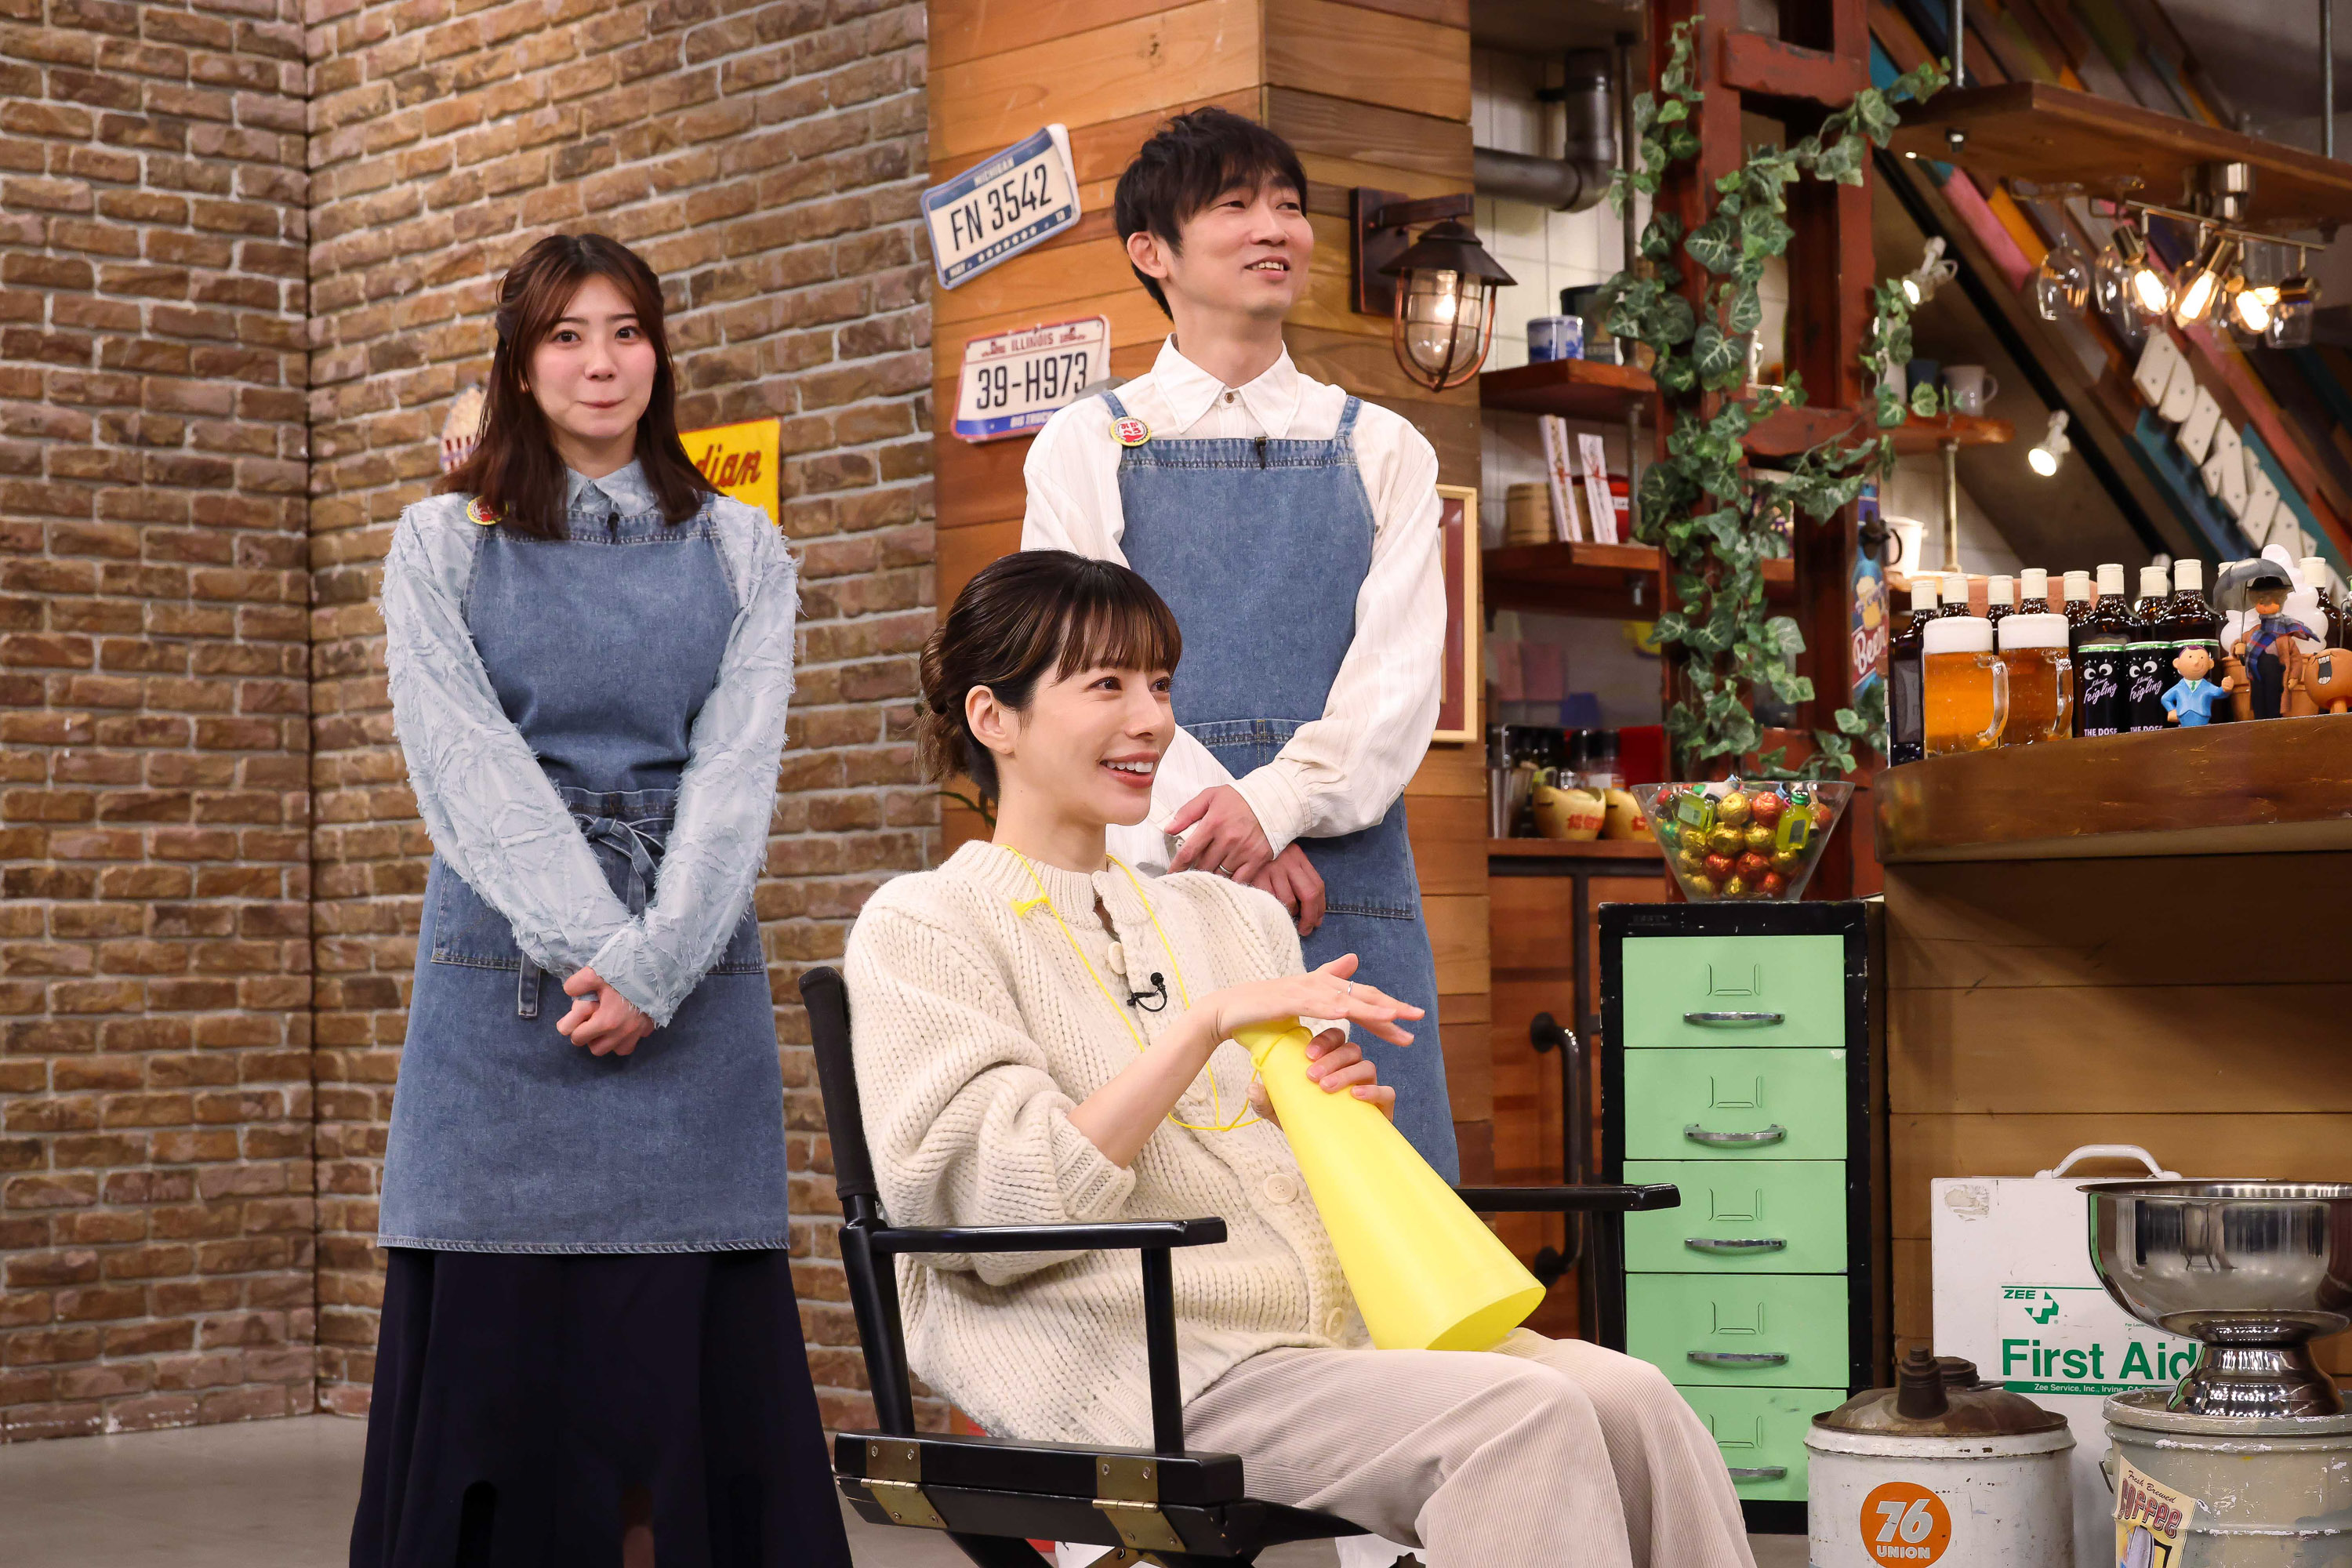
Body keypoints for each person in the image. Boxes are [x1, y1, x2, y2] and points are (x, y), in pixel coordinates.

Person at [842, 551, 1754, 1568]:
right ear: (993, 717)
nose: (1151, 721)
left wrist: (1328, 1126)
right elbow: (985, 1211)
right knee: (1518, 1418)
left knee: (1636, 1398)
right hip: (1149, 1364)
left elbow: (1280, 1163)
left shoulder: (1233, 917)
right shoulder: (927, 926)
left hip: (1325, 1336)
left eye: (1160, 684)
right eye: (1107, 684)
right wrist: (1204, 1028)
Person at [356, 234, 849, 1568]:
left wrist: (657, 966)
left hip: (690, 983)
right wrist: (603, 956)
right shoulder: (438, 544)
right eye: (566, 335)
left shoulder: (744, 546)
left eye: (627, 331)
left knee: (677, 1383)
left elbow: (737, 774)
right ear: (518, 365)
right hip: (499, 993)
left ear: (660, 355)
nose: (601, 362)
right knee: (495, 1381)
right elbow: (464, 768)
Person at [1020, 107, 1458, 1181]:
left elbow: (1400, 682)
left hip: (1344, 881)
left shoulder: (1385, 447)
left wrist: (1274, 807)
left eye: (1289, 206)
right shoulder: (1087, 442)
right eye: (1234, 205)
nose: (1275, 228)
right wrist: (1235, 833)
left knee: (1388, 1208)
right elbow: (1082, 682)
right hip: (1154, 876)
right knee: (1195, 1205)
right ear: (1152, 252)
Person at [2161, 643, 2227, 727]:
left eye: (2201, 658)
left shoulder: (2207, 686)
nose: (2196, 662)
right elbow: (2165, 699)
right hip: (2183, 718)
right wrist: (2172, 710)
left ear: (2210, 664)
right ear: (2177, 663)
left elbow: (2218, 693)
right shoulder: (2179, 687)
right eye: (2190, 657)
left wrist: (2225, 688)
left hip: (2203, 717)